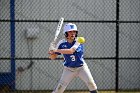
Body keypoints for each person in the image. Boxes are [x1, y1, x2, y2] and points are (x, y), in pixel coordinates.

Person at [48, 23, 98, 93]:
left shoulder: (78, 41)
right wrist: (51, 52)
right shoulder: (61, 43)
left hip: (81, 68)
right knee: (59, 90)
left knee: (91, 85)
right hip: (68, 69)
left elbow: (71, 51)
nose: (73, 33)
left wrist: (55, 50)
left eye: (74, 31)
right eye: (70, 31)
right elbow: (52, 57)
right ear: (66, 33)